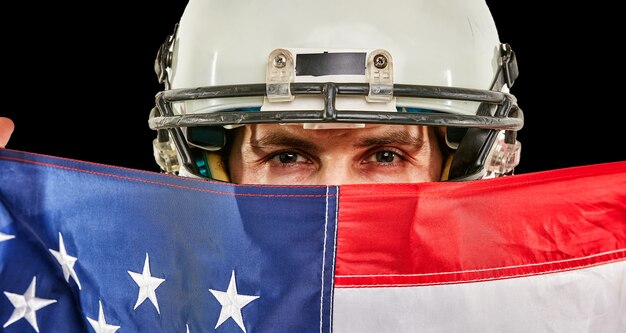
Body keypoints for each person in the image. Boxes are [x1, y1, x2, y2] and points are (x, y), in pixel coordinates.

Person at [3, 0, 523, 186]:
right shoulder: (136, 301)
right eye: (287, 155)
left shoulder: (541, 300)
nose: (333, 200)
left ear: (458, 168)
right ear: (215, 163)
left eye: (385, 155)